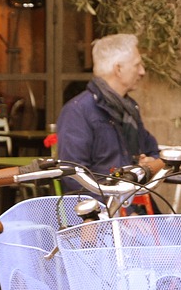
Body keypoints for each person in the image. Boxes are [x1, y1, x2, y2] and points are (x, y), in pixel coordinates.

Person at [56, 34, 162, 189]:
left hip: (135, 203)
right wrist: (118, 209)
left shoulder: (129, 109)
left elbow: (152, 151)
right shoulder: (78, 112)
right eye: (137, 65)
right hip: (101, 209)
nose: (142, 72)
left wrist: (149, 163)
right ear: (118, 69)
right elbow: (73, 177)